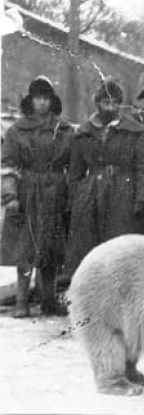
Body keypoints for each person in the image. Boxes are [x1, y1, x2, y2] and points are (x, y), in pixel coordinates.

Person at [64, 79, 144, 283]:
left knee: (120, 246)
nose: (110, 107)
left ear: (120, 104)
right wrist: (75, 201)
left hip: (124, 192)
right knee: (88, 246)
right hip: (91, 194)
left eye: (115, 103)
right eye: (106, 102)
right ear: (97, 103)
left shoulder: (134, 131)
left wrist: (143, 198)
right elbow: (75, 172)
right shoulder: (84, 133)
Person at [1, 76, 74, 317]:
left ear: (52, 101)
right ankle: (22, 301)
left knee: (51, 247)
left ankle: (48, 300)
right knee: (26, 247)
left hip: (55, 192)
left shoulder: (63, 130)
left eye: (46, 98)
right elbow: (8, 165)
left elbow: (74, 162)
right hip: (28, 192)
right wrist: (10, 196)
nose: (41, 103)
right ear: (30, 101)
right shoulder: (16, 131)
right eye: (37, 98)